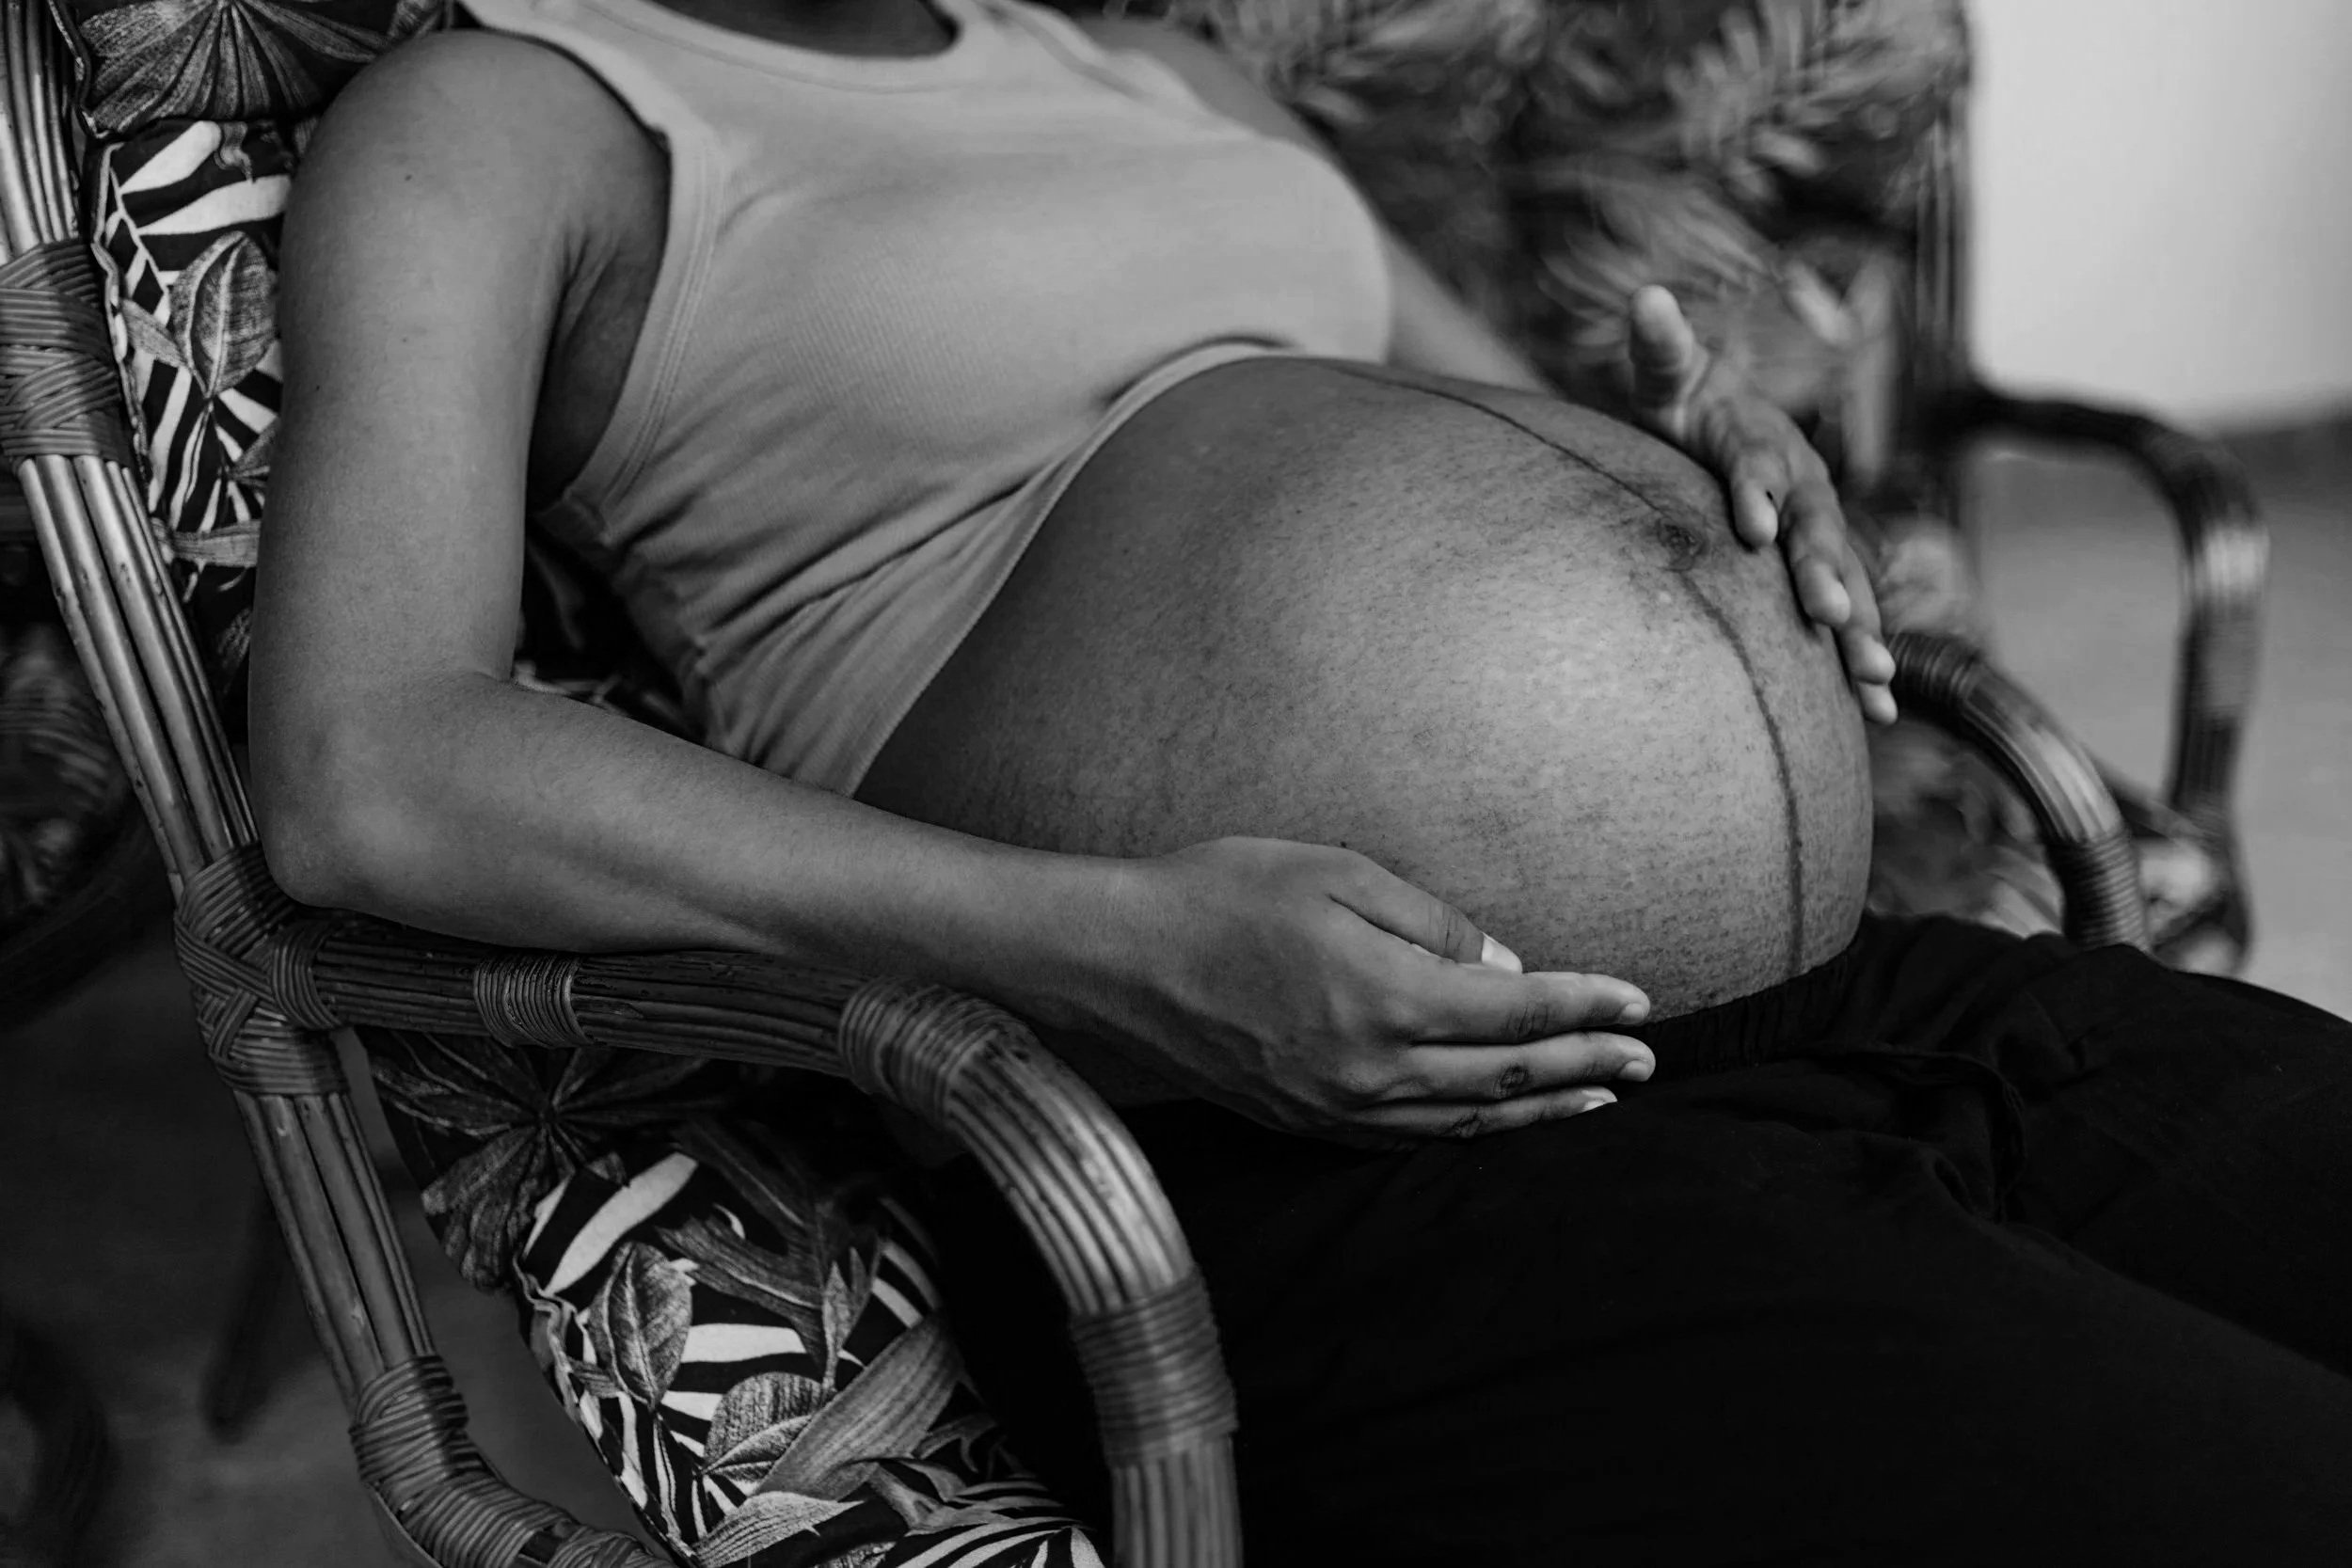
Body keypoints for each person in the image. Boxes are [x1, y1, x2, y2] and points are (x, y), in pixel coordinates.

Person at [246, 0, 2352, 1560]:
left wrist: (1707, 466)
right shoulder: (511, 117)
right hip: (1304, 1143)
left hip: (1848, 990)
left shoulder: (1154, 70)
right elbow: (370, 769)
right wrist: (1118, 945)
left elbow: (1494, 436)